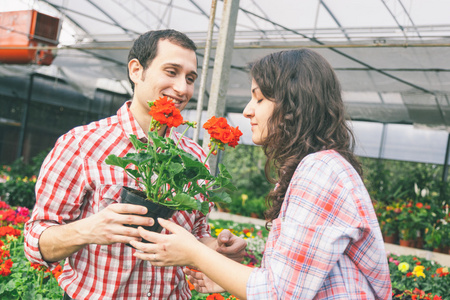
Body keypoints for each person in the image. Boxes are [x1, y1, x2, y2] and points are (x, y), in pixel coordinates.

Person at [129, 48, 393, 299]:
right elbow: (291, 281)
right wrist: (226, 277)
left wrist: (194, 252)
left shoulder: (319, 171)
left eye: (260, 98)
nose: (247, 110)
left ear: (293, 105)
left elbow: (277, 294)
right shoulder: (317, 166)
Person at [24, 29, 247, 300]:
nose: (182, 88)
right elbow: (35, 241)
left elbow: (196, 235)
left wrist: (218, 247)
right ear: (136, 70)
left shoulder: (195, 156)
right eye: (171, 71)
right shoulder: (82, 143)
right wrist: (87, 230)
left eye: (190, 78)